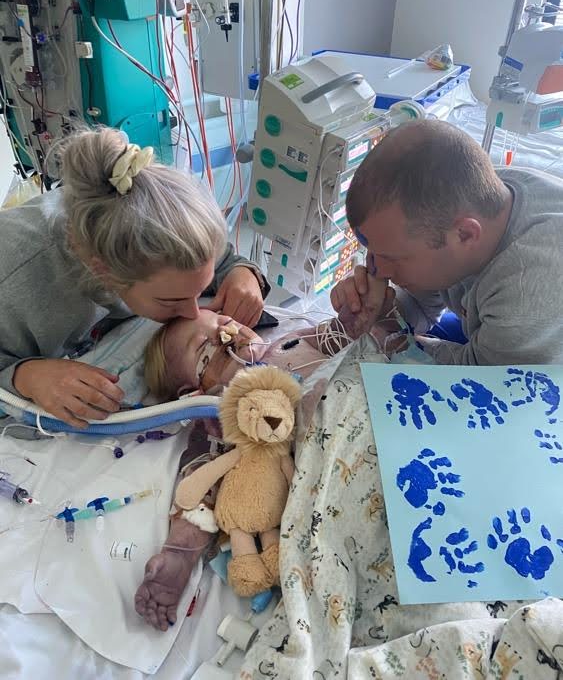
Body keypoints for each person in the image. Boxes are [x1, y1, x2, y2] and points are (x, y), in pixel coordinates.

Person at [135, 275, 388, 631]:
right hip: (344, 457)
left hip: (378, 402)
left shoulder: (288, 342)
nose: (227, 335)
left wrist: (359, 312)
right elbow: (200, 487)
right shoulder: (223, 418)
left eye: (224, 324)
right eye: (205, 350)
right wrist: (180, 553)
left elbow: (343, 336)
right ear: (193, 394)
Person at [0, 127, 267, 428]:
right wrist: (26, 377)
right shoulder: (14, 283)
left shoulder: (163, 231)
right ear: (103, 271)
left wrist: (243, 273)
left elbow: (221, 261)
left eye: (200, 291)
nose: (195, 312)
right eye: (172, 300)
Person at [331, 119, 563, 365]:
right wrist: (384, 310)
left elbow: (480, 382)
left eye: (391, 258)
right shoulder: (468, 202)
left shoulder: (527, 294)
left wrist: (390, 341)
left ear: (464, 235)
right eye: (373, 252)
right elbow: (425, 305)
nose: (376, 270)